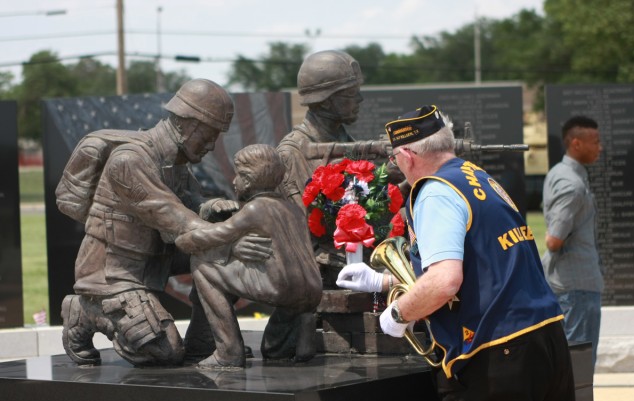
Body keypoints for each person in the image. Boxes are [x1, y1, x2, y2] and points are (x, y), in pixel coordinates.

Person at [336, 105, 575, 401]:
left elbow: (446, 280)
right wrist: (384, 282)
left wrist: (398, 313)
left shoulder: (435, 192)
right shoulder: (478, 178)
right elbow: (484, 265)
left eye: (394, 160)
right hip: (547, 341)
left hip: (495, 355)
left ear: (407, 156)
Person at [59, 78, 271, 367]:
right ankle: (85, 311)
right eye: (209, 134)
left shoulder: (176, 162)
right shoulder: (130, 161)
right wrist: (231, 241)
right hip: (114, 272)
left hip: (157, 258)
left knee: (226, 262)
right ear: (186, 123)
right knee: (165, 351)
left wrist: (210, 208)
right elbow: (178, 221)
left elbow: (191, 203)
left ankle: (203, 339)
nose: (212, 145)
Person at [175, 144, 323, 369]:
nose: (234, 181)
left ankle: (228, 352)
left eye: (238, 174)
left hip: (279, 287)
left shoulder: (255, 209)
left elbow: (218, 234)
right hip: (312, 289)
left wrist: (185, 240)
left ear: (248, 178)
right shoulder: (293, 209)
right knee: (273, 351)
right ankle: (287, 344)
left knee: (203, 266)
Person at [277, 50, 399, 282]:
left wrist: (390, 180)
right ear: (326, 101)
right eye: (351, 94)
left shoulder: (345, 141)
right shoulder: (293, 152)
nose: (360, 100)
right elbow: (311, 225)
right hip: (323, 262)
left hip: (356, 249)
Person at [542, 115, 604, 367]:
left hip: (573, 283)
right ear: (576, 144)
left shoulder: (560, 172)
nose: (600, 147)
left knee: (573, 359)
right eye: (596, 141)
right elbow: (554, 240)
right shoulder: (572, 184)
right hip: (576, 285)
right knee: (579, 362)